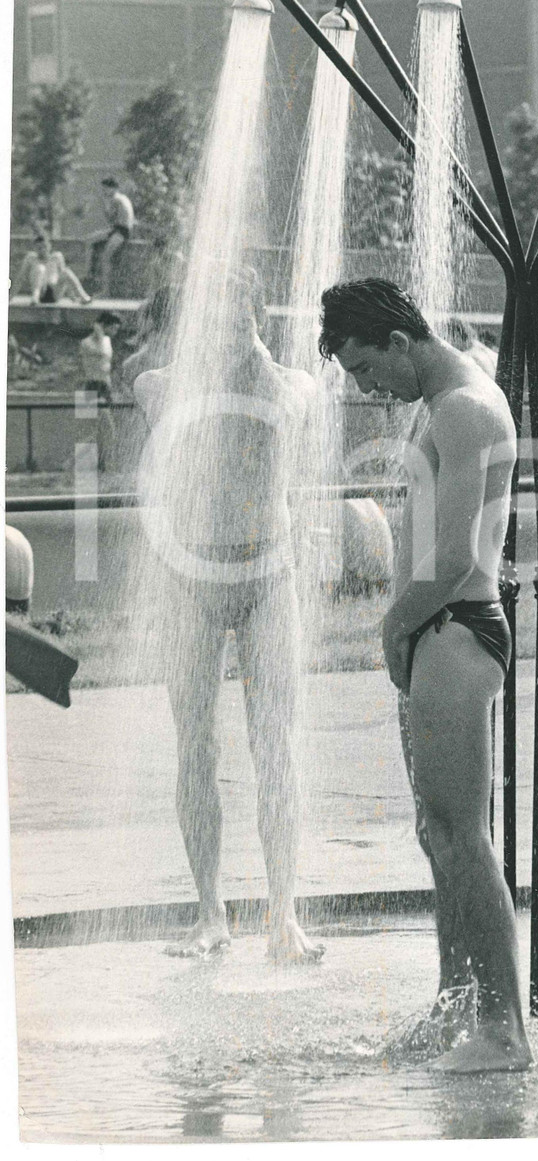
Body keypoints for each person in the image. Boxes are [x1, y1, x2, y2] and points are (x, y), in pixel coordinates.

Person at [319, 277, 530, 1075]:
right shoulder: (445, 403)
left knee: (466, 837)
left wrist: (392, 624)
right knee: (435, 832)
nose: (372, 391)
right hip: (433, 635)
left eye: (370, 370)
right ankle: (453, 1007)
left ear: (401, 341)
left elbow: (453, 562)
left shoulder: (468, 408)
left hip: (455, 631)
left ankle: (506, 1029)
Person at [134, 281, 323, 965]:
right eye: (212, 323)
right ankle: (210, 912)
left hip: (269, 576)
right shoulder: (158, 386)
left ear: (259, 322)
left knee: (276, 743)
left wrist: (249, 345)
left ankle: (285, 914)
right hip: (190, 578)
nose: (226, 335)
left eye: (239, 320)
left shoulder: (293, 386)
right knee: (196, 743)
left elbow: (284, 393)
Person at [119, 286, 176, 394]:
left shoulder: (156, 339)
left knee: (93, 407)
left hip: (100, 383)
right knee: (87, 407)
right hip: (92, 384)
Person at [14, 229, 91, 304]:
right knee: (40, 268)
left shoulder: (57, 257)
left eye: (44, 246)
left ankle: (83, 296)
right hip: (40, 292)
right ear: (35, 248)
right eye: (39, 248)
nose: (42, 250)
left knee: (66, 271)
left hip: (55, 292)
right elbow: (20, 278)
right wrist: (9, 297)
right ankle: (35, 297)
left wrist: (71, 296)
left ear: (49, 246)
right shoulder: (31, 258)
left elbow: (65, 278)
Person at [86, 177, 135, 291]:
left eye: (105, 189)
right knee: (90, 240)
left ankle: (102, 287)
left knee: (105, 257)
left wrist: (104, 205)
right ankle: (90, 272)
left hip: (121, 231)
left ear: (113, 188)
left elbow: (111, 218)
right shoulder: (123, 197)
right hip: (119, 230)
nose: (103, 192)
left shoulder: (116, 199)